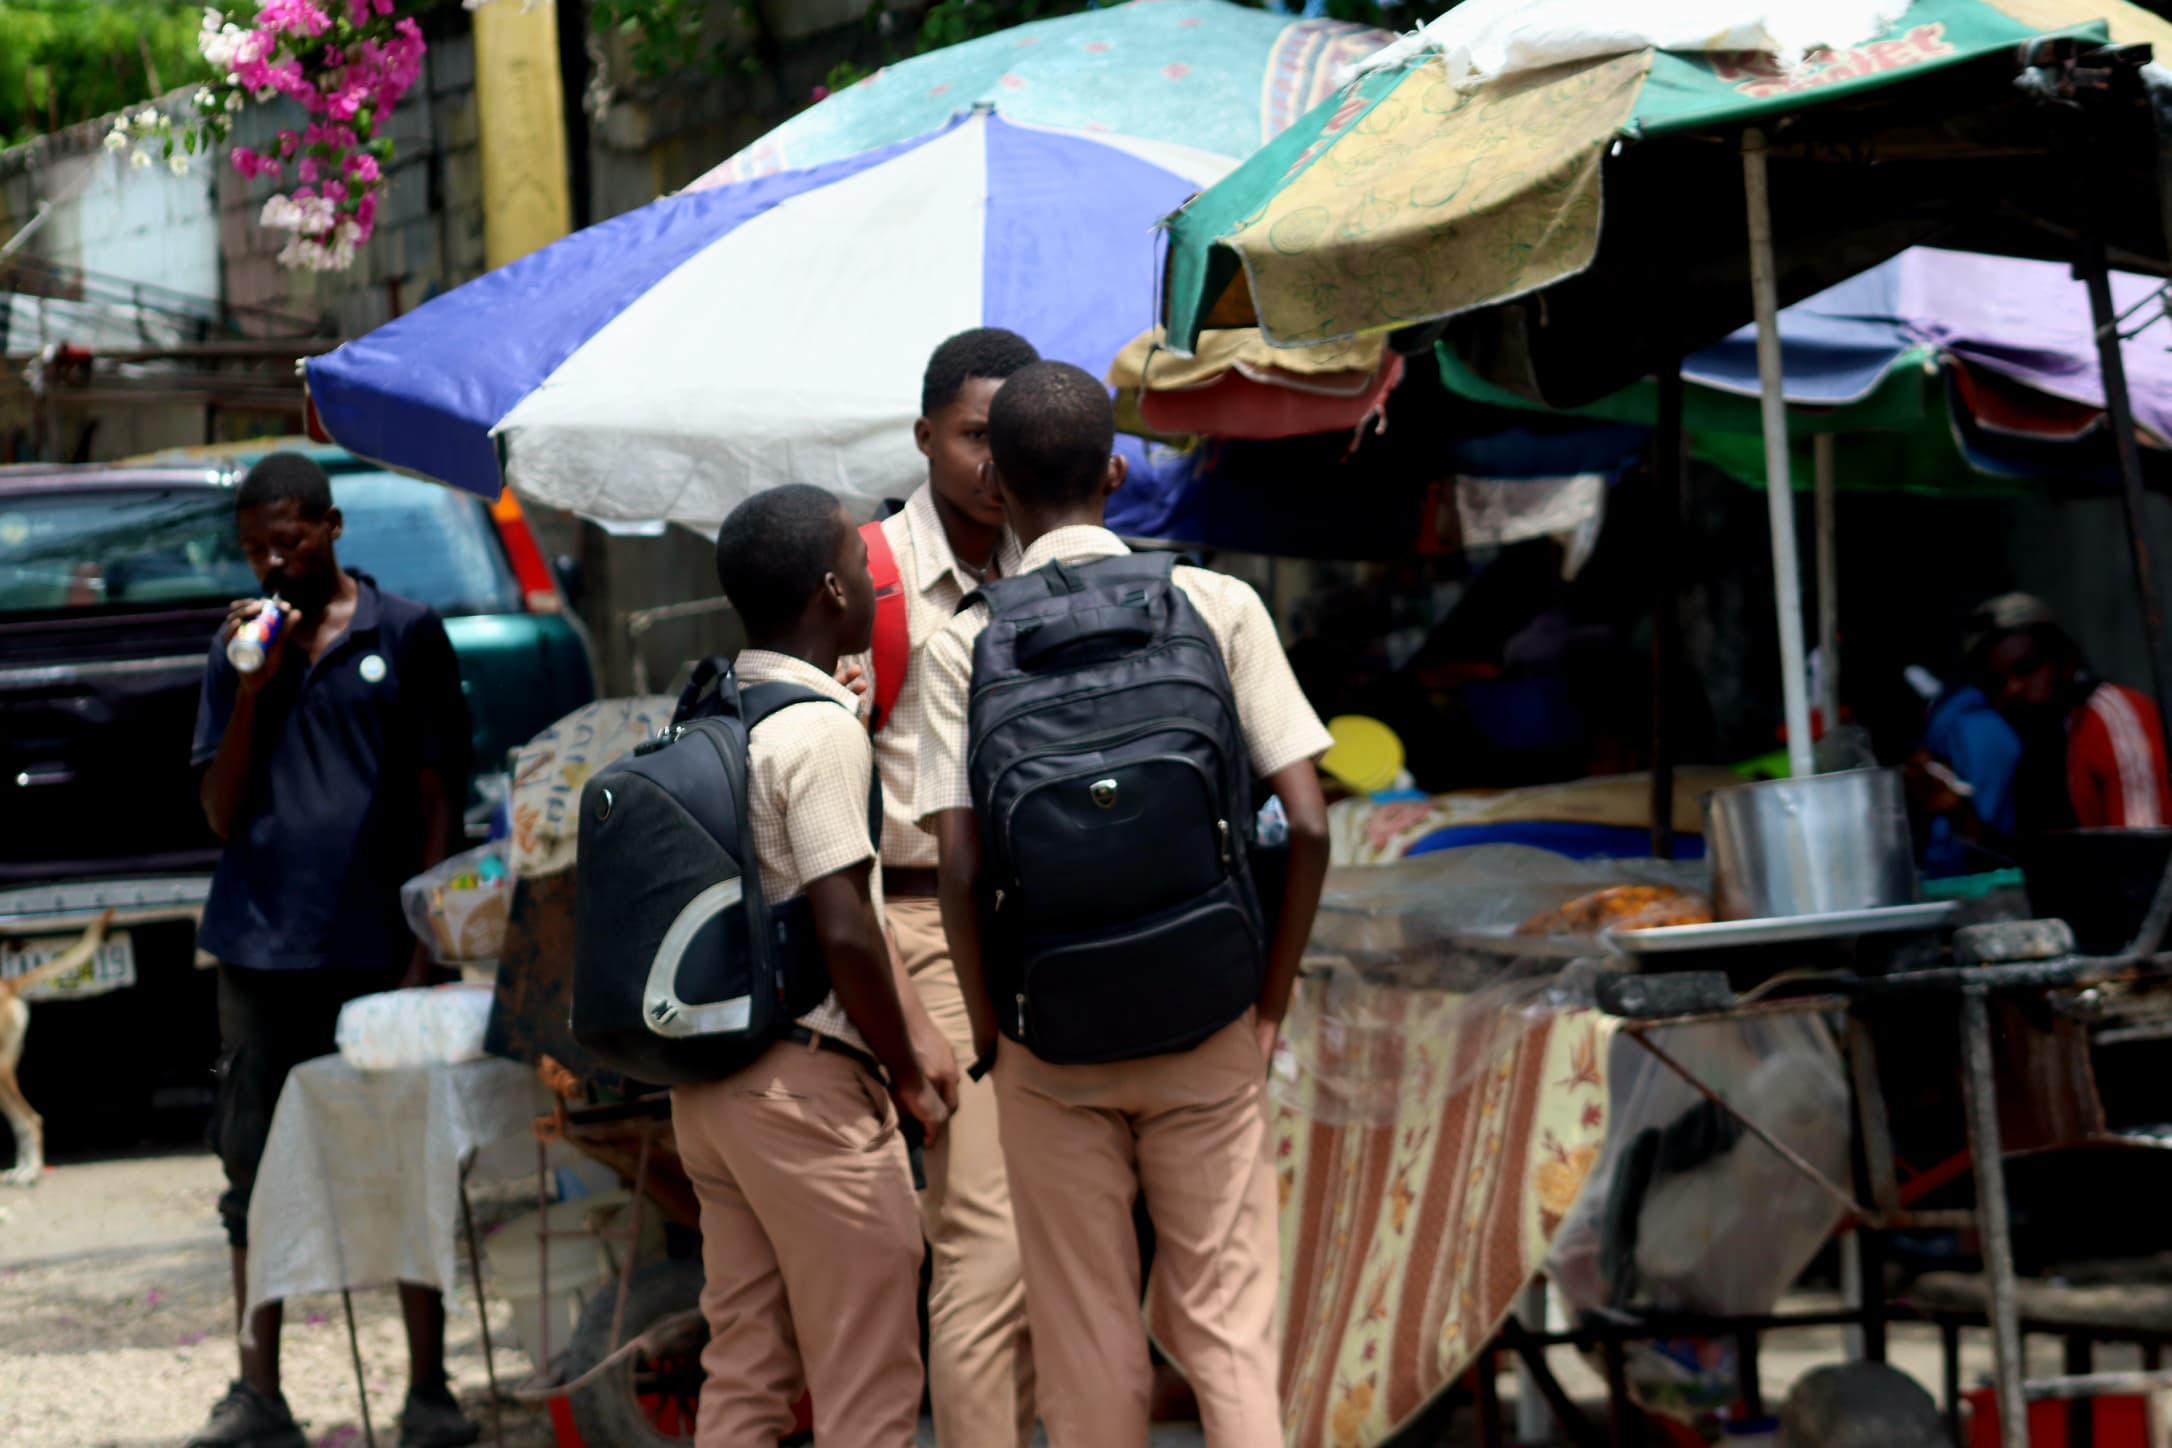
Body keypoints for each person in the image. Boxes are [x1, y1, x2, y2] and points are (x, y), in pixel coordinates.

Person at [915, 362, 1333, 1444]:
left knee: (1086, 1334)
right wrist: (1270, 1004)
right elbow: (1309, 822)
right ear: (1115, 471)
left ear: (996, 484)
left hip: (1051, 1040)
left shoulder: (963, 644)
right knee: (1228, 1330)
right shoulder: (1217, 604)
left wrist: (992, 1033)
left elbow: (957, 866)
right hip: (1210, 1015)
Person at [188, 453, 476, 1448]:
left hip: (379, 948)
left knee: (403, 1159)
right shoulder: (236, 648)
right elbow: (221, 813)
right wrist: (251, 690)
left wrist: (427, 944)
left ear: (332, 526)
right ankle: (258, 1393)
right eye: (255, 546)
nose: (274, 561)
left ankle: (429, 1391)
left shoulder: (407, 632)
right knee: (252, 1167)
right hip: (260, 947)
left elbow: (440, 797)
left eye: (290, 539)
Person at [679, 482, 952, 1448]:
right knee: (867, 1382)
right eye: (861, 565)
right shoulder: (820, 730)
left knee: (746, 1371)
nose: (877, 582)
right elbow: (845, 926)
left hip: (710, 1091)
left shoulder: (715, 715)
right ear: (833, 592)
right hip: (805, 1088)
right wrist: (908, 1071)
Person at [844, 326, 1041, 1446]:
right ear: (925, 436)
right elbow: (823, 817)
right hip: (922, 927)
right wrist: (902, 1007)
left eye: (1012, 437)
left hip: (1049, 931)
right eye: (973, 435)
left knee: (1055, 1244)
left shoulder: (1054, 555)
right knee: (987, 1244)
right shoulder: (866, 576)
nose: (993, 460)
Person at [1970, 592, 2171, 832]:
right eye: (1996, 682)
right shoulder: (2043, 739)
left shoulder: (2112, 720)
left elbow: (2143, 849)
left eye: (2027, 668)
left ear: (2064, 660)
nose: (2013, 689)